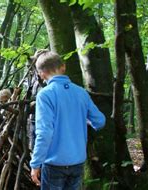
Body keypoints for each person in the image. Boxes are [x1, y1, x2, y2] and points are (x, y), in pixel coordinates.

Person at [29, 50, 106, 189]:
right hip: (77, 162)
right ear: (63, 67)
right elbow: (100, 121)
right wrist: (85, 120)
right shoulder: (81, 92)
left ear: (41, 74)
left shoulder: (45, 95)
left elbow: (44, 132)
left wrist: (35, 164)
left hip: (54, 164)